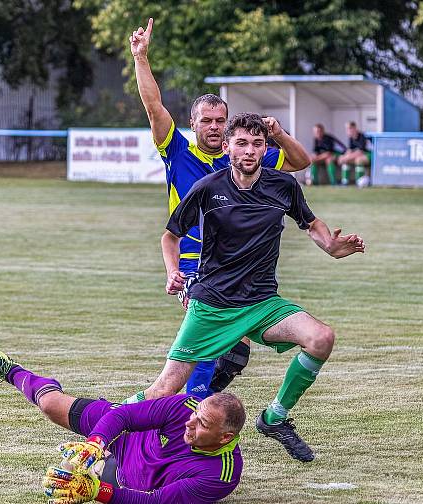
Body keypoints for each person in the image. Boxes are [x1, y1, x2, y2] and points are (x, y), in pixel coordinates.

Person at [130, 113, 364, 463]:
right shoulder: (209, 188)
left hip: (262, 303)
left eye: (257, 144)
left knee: (321, 338)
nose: (250, 151)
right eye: (241, 143)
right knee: (165, 388)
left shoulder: (282, 186)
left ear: (265, 148)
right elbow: (171, 235)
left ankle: (275, 418)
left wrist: (330, 245)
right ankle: (110, 417)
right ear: (226, 148)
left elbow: (310, 222)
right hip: (214, 304)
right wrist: (172, 271)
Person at [130, 18, 311, 401]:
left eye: (219, 121)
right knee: (209, 348)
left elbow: (299, 162)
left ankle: (188, 407)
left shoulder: (245, 156)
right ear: (192, 123)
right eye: (206, 121)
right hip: (197, 265)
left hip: (236, 265)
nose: (213, 127)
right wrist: (141, 58)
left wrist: (278, 133)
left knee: (236, 352)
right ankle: (186, 410)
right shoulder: (178, 151)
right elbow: (152, 105)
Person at [0, 345, 246, 504]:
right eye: (196, 416)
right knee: (51, 405)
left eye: (202, 424)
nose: (190, 423)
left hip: (133, 485)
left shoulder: (221, 476)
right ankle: (13, 371)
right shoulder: (186, 407)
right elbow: (124, 416)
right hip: (128, 439)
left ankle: (101, 469)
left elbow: (154, 502)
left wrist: (95, 492)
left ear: (224, 438)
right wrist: (96, 442)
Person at [337, 121, 371, 186]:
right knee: (345, 160)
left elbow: (360, 152)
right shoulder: (351, 138)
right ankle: (345, 182)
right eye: (346, 129)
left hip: (370, 155)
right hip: (360, 155)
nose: (347, 130)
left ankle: (359, 182)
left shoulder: (362, 136)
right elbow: (350, 150)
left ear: (354, 128)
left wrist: (346, 158)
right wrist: (343, 157)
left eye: (349, 128)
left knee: (358, 160)